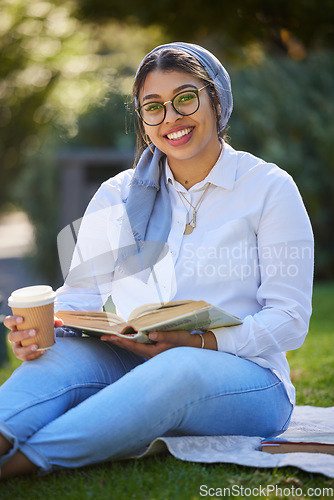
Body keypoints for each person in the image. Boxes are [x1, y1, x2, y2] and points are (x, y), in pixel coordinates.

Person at [0, 42, 314, 480]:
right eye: (154, 107)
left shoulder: (268, 187)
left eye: (185, 99)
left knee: (176, 366)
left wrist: (199, 342)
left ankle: (20, 464)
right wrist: (44, 331)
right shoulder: (118, 193)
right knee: (57, 361)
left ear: (216, 100)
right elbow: (83, 295)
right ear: (144, 120)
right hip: (132, 355)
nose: (171, 118)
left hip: (250, 381)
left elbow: (290, 318)